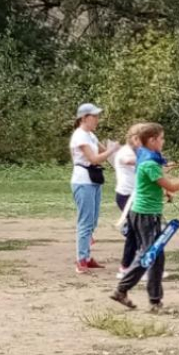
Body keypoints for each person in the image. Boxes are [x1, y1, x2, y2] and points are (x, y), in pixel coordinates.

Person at [109, 123, 179, 311]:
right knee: (152, 255)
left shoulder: (147, 158)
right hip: (146, 215)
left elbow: (156, 185)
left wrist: (163, 192)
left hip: (144, 212)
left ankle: (129, 293)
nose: (163, 141)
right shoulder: (149, 163)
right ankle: (148, 299)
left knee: (150, 254)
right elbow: (171, 185)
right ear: (152, 140)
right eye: (161, 138)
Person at [70, 103, 119, 274]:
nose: (97, 120)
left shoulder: (90, 135)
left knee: (93, 220)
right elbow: (94, 159)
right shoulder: (79, 136)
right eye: (94, 116)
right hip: (83, 181)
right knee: (85, 221)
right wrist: (112, 150)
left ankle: (87, 257)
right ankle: (81, 259)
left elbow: (105, 153)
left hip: (93, 180)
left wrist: (120, 154)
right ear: (84, 118)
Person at [112, 124, 142, 278]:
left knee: (137, 230)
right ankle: (127, 267)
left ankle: (135, 265)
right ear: (134, 138)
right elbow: (128, 161)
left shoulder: (139, 152)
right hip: (126, 196)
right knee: (135, 231)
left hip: (137, 195)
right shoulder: (126, 151)